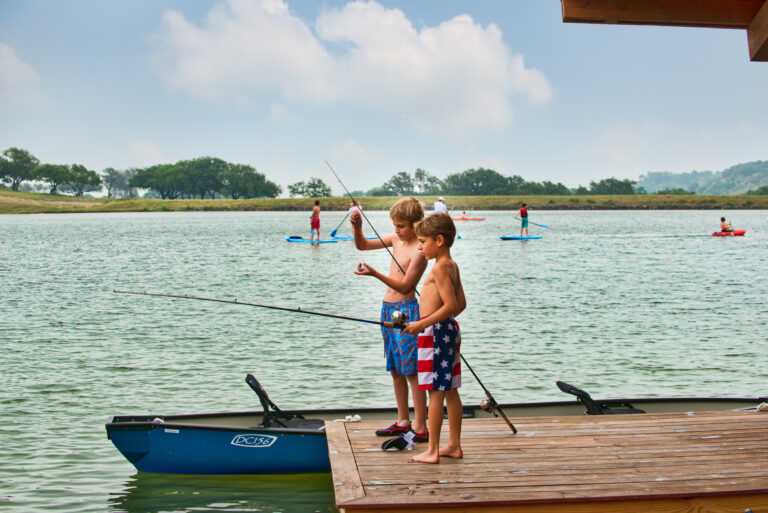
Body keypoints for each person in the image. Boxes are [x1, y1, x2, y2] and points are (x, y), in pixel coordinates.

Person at [350, 197, 429, 441]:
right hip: (387, 308)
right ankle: (402, 421)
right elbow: (362, 245)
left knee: (411, 369)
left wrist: (375, 274)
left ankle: (421, 427)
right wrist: (356, 226)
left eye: (401, 225)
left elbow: (406, 285)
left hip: (406, 310)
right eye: (394, 225)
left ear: (416, 224)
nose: (396, 230)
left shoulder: (420, 249)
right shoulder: (395, 239)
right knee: (395, 367)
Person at [404, 212, 466, 464]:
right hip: (448, 330)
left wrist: (423, 323)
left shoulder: (439, 268)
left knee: (435, 391)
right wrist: (440, 321)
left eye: (423, 241)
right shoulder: (452, 265)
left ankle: (433, 451)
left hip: (435, 333)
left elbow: (450, 303)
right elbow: (460, 304)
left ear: (439, 240)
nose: (419, 247)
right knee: (450, 390)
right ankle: (453, 445)